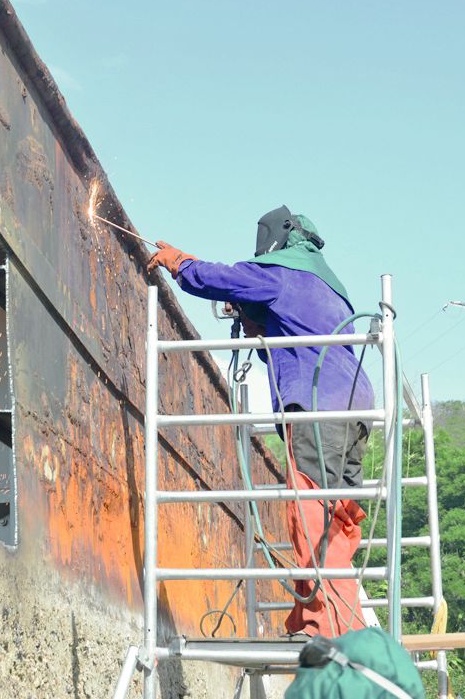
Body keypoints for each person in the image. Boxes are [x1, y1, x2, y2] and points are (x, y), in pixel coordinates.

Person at [147, 205, 374, 638]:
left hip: (318, 407)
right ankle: (324, 619)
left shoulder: (281, 273)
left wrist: (183, 264)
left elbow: (225, 279)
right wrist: (261, 322)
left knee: (310, 514)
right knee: (338, 519)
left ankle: (325, 625)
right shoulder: (327, 285)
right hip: (355, 407)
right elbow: (297, 337)